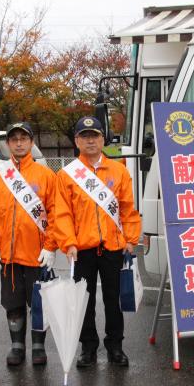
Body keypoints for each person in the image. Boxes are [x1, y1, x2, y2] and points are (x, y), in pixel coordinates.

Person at [54, 116, 141, 368]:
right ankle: (88, 347)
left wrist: (131, 239)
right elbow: (62, 213)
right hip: (82, 249)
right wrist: (68, 242)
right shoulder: (67, 174)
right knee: (84, 300)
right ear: (77, 141)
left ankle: (115, 346)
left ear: (103, 139)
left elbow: (127, 209)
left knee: (114, 300)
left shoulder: (119, 171)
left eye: (95, 135)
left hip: (113, 246)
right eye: (84, 136)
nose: (90, 140)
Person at [0, 122, 57, 366]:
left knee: (38, 303)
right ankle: (16, 345)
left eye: (23, 138)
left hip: (37, 255)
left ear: (31, 142)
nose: (18, 142)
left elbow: (57, 214)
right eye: (13, 138)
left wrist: (51, 246)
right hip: (8, 256)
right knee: (13, 304)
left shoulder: (46, 175)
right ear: (7, 144)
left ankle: (38, 346)